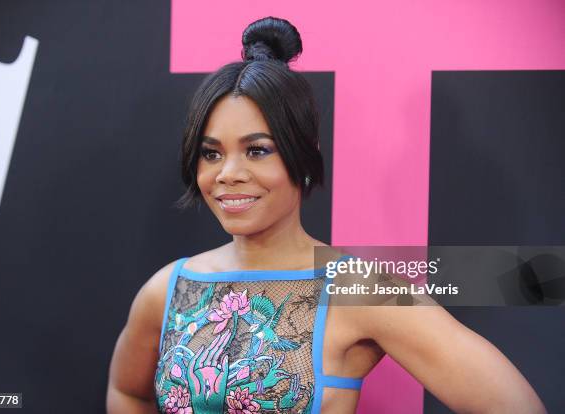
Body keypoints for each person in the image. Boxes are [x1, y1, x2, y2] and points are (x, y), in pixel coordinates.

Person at [106, 16, 546, 414]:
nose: (229, 174)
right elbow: (127, 392)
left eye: (257, 150)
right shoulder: (170, 288)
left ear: (304, 152)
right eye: (211, 153)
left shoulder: (355, 286)